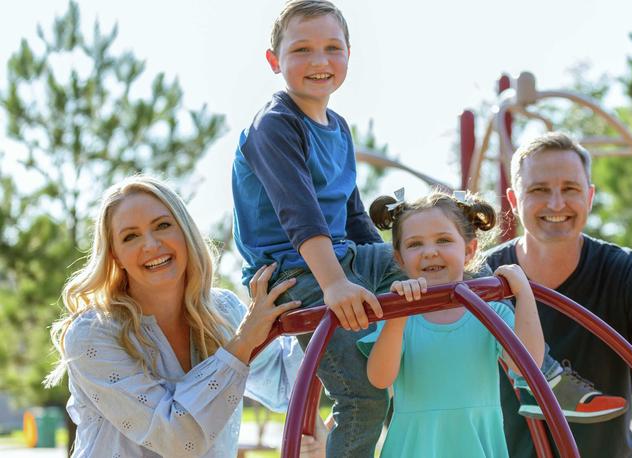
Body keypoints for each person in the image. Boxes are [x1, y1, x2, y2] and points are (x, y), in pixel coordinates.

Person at [485, 132, 632, 457]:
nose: (556, 203)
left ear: (589, 197)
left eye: (570, 189)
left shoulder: (626, 273)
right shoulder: (483, 277)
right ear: (515, 201)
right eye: (539, 190)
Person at [230, 1, 405, 456]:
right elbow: (299, 213)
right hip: (297, 275)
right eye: (302, 50)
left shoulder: (339, 128)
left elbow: (354, 216)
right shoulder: (276, 125)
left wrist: (396, 264)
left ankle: (533, 368)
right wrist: (336, 283)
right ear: (274, 61)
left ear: (349, 54)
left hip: (341, 261)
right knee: (364, 399)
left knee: (437, 264)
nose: (319, 61)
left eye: (332, 48)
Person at [44, 175, 326, 457]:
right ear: (115, 255)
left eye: (163, 225)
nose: (151, 245)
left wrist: (327, 288)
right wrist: (241, 343)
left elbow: (287, 382)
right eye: (131, 236)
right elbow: (178, 440)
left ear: (185, 231)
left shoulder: (225, 311)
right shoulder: (93, 333)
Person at [358, 190, 544, 457]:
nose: (430, 252)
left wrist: (524, 293)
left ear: (469, 250)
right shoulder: (399, 317)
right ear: (399, 258)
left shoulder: (490, 314)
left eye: (443, 240)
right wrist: (397, 316)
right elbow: (379, 378)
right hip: (415, 446)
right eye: (414, 244)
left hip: (476, 445)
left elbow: (528, 364)